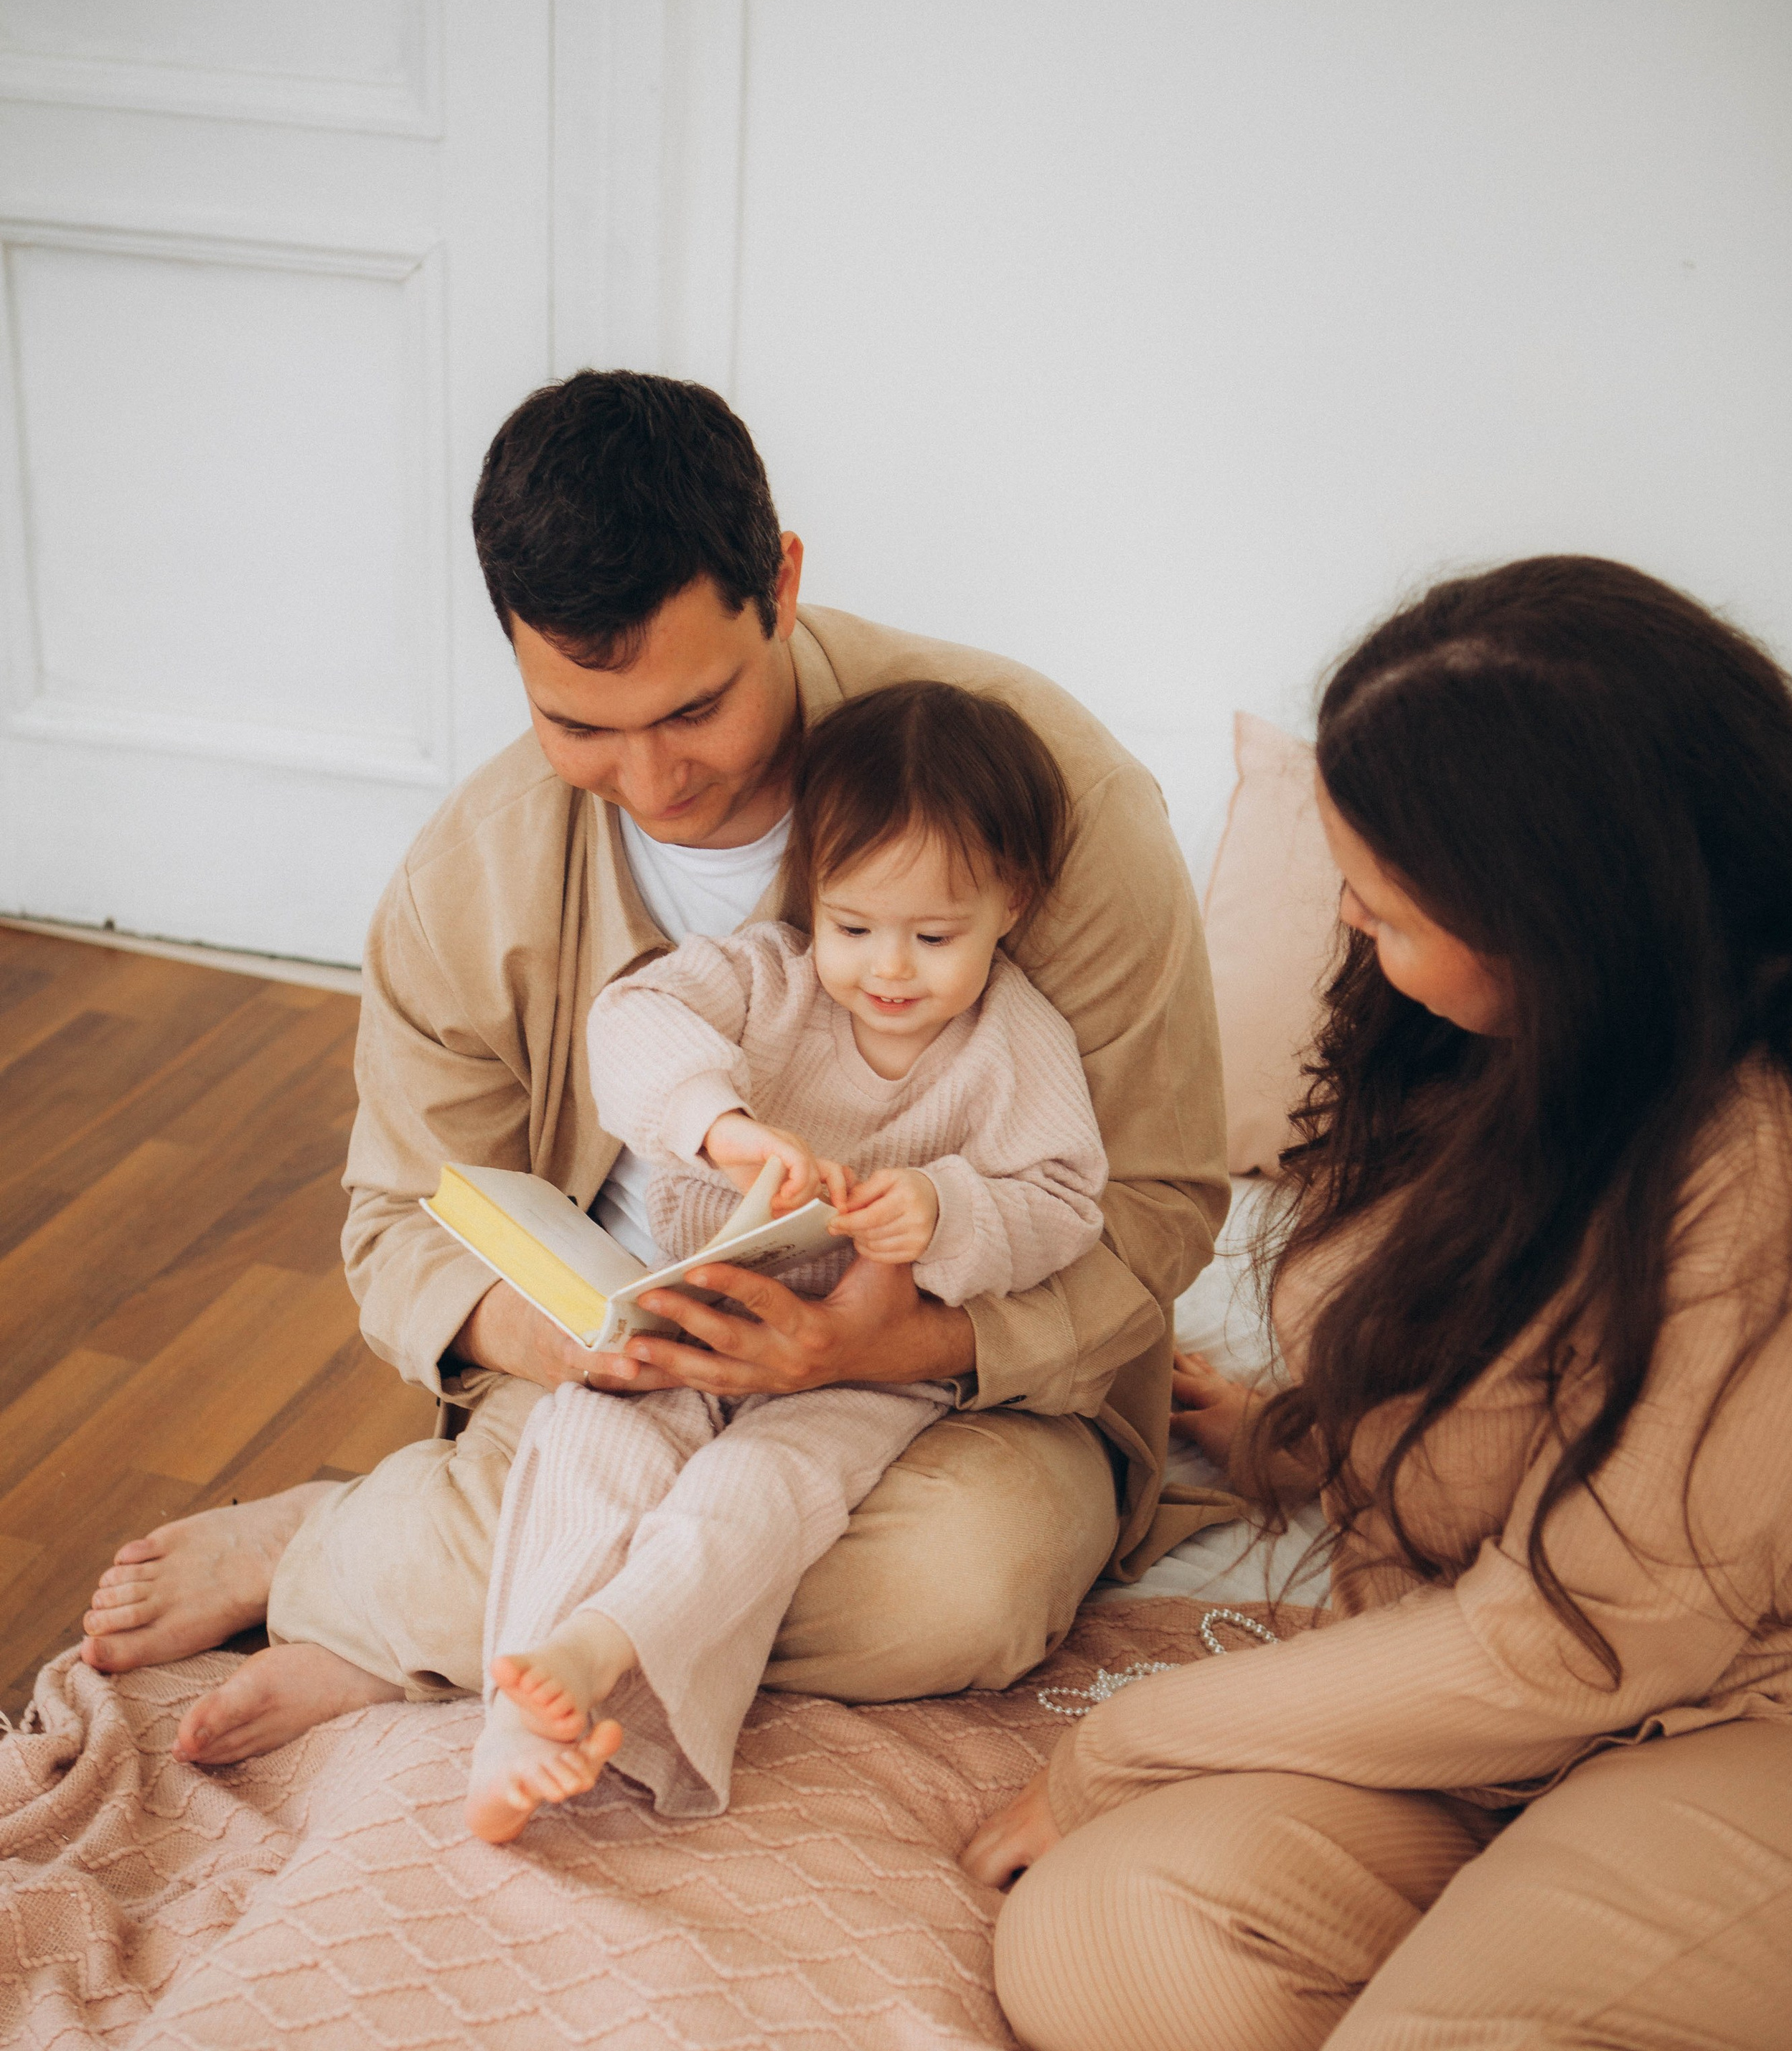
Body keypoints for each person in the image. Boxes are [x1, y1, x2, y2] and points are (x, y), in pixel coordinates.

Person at [963, 556, 1792, 2051]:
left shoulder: (1780, 1135)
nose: (1344, 915)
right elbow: (1526, 1416)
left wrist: (1124, 1741)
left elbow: (1582, 1637)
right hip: (1540, 1727)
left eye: (1382, 893)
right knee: (1105, 1949)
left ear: (1566, 909)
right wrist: (1283, 1436)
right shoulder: (1503, 1039)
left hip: (1752, 1722)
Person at [79, 372, 1231, 1758]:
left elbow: (1161, 1201)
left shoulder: (1043, 791)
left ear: (782, 585)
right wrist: (571, 1338)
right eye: (580, 726)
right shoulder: (471, 880)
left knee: (959, 1598)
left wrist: (884, 1340)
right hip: (627, 1380)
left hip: (943, 1389)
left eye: (694, 711)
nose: (653, 781)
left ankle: (412, 1594)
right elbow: (402, 1221)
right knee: (657, 1518)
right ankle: (376, 1550)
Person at [473, 679, 1107, 1840]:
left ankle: (606, 1647)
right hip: (700, 1315)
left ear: (1010, 904)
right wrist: (722, 1125)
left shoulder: (1017, 1042)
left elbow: (1065, 1199)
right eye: (855, 927)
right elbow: (632, 1024)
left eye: (934, 935)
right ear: (815, 893)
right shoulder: (765, 974)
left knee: (763, 1492)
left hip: (871, 1366)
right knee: (588, 1445)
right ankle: (518, 1713)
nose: (889, 970)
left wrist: (947, 1210)